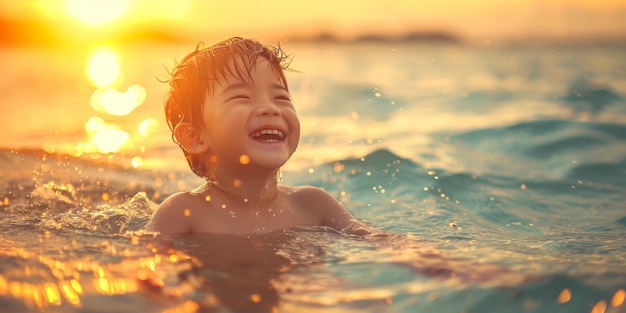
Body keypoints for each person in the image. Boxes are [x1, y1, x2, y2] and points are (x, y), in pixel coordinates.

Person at [145, 37, 374, 236]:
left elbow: (380, 243)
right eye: (242, 97)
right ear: (195, 137)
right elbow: (146, 266)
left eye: (281, 98)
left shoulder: (314, 204)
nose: (270, 108)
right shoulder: (184, 212)